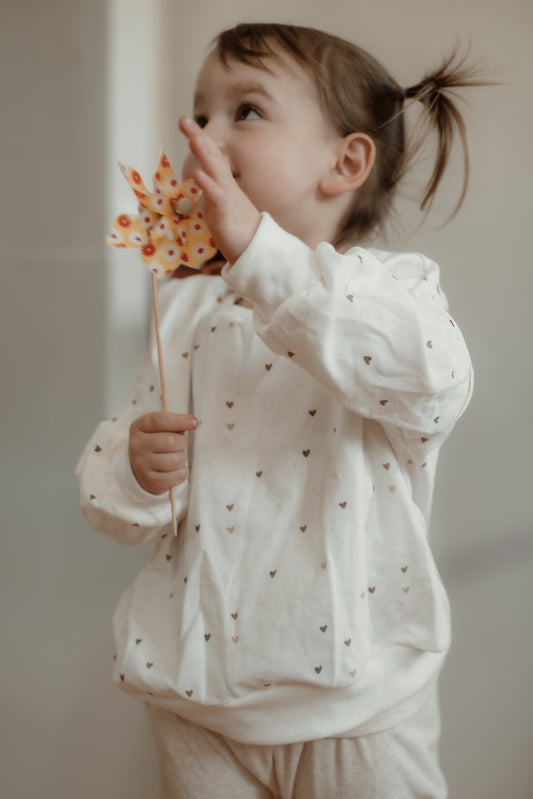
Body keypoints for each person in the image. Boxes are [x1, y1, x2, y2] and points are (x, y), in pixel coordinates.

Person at [77, 22, 482, 798]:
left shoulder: (392, 292)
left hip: (358, 707)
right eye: (201, 109)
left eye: (246, 111)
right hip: (196, 702)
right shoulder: (182, 308)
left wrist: (260, 254)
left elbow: (432, 380)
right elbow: (124, 508)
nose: (203, 133)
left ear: (345, 163)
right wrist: (132, 468)